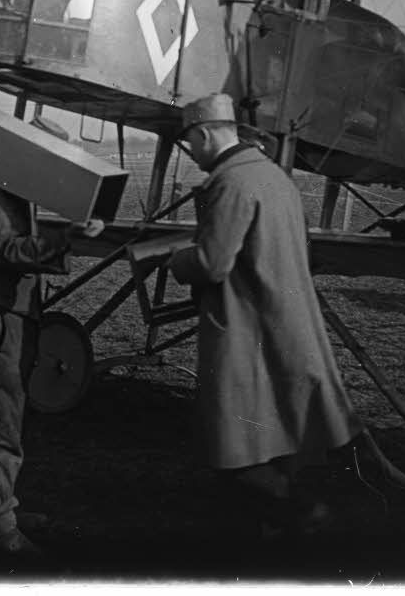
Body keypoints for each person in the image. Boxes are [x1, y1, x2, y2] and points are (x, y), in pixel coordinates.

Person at [168, 92, 361, 538]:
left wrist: (176, 260)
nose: (191, 153)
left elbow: (213, 263)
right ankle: (279, 526)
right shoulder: (275, 176)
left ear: (204, 135)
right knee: (281, 430)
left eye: (189, 143)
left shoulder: (230, 183)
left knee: (235, 445)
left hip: (245, 327)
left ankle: (302, 514)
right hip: (285, 319)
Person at [0, 118, 105, 555]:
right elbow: (9, 251)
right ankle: (0, 526)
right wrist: (67, 239)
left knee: (2, 415)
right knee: (1, 422)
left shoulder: (14, 189)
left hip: (3, 313)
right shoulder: (2, 191)